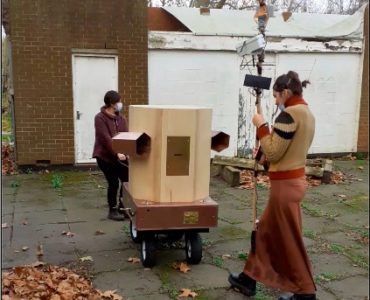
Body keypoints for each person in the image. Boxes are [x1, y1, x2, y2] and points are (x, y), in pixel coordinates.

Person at [228, 71, 316, 300]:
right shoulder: (307, 113)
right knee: (264, 233)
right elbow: (286, 150)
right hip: (292, 183)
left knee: (290, 241)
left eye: (276, 96)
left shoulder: (288, 115)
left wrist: (262, 126)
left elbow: (275, 152)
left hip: (285, 188)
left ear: (286, 93)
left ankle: (305, 293)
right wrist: (265, 155)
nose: (275, 101)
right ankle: (248, 278)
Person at [93, 90, 129, 221]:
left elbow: (126, 136)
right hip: (105, 157)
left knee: (126, 181)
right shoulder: (100, 118)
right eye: (118, 101)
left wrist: (127, 152)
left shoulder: (121, 118)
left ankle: (123, 207)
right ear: (111, 103)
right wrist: (116, 152)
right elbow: (105, 138)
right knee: (113, 182)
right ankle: (112, 210)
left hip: (120, 156)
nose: (120, 104)